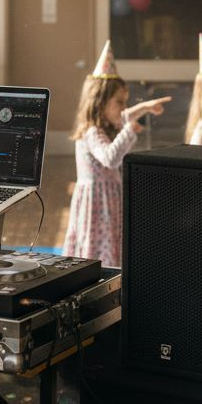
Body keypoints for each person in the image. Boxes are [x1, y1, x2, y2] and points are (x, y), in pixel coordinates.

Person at [61, 41, 170, 266]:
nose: (124, 107)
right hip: (97, 205)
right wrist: (129, 129)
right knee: (97, 249)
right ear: (100, 103)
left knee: (111, 245)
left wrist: (146, 107)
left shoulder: (104, 126)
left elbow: (124, 115)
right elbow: (110, 158)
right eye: (119, 101)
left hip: (108, 200)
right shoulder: (92, 131)